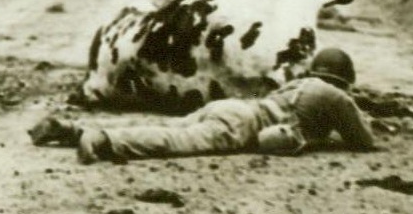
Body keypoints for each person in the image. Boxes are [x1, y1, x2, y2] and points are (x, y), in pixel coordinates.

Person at [29, 48, 377, 164]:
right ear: (344, 79)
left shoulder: (299, 83)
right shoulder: (336, 96)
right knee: (175, 143)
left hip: (234, 108)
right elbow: (364, 141)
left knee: (171, 129)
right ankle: (103, 140)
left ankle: (72, 131)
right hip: (243, 125)